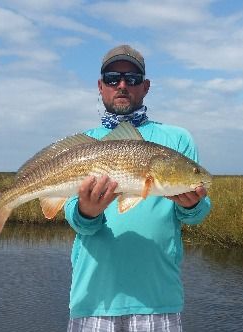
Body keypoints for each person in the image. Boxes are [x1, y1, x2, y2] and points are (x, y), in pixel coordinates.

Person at [65, 45, 211, 332]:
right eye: (112, 78)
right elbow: (75, 218)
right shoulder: (84, 145)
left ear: (145, 87)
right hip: (93, 297)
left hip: (158, 299)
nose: (122, 85)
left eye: (131, 80)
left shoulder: (177, 139)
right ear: (100, 86)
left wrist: (191, 205)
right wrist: (87, 212)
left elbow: (197, 214)